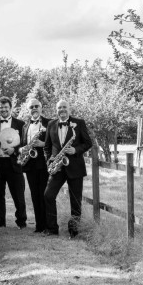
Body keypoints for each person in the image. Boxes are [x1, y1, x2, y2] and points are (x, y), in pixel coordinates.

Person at [43, 100, 93, 237]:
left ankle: (74, 231)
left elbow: (88, 143)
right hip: (57, 167)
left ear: (69, 108)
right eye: (59, 107)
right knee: (48, 195)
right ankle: (52, 229)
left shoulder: (79, 122)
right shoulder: (51, 124)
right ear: (56, 109)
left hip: (75, 167)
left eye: (64, 107)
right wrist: (49, 161)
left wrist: (76, 150)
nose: (62, 109)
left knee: (75, 201)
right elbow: (47, 147)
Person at [0, 97, 27, 229]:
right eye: (1, 107)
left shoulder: (21, 124)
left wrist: (14, 150)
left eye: (6, 107)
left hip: (14, 163)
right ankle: (0, 222)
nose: (3, 109)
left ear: (10, 108)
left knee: (18, 194)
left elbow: (25, 144)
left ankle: (21, 222)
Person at [20, 99, 50, 233]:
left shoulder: (49, 123)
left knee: (44, 194)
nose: (34, 108)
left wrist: (42, 144)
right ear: (28, 109)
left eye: (36, 106)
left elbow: (55, 142)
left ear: (41, 107)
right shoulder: (25, 126)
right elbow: (22, 143)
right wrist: (22, 149)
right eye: (31, 107)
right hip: (30, 164)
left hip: (43, 163)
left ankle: (47, 225)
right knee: (34, 195)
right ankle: (39, 226)